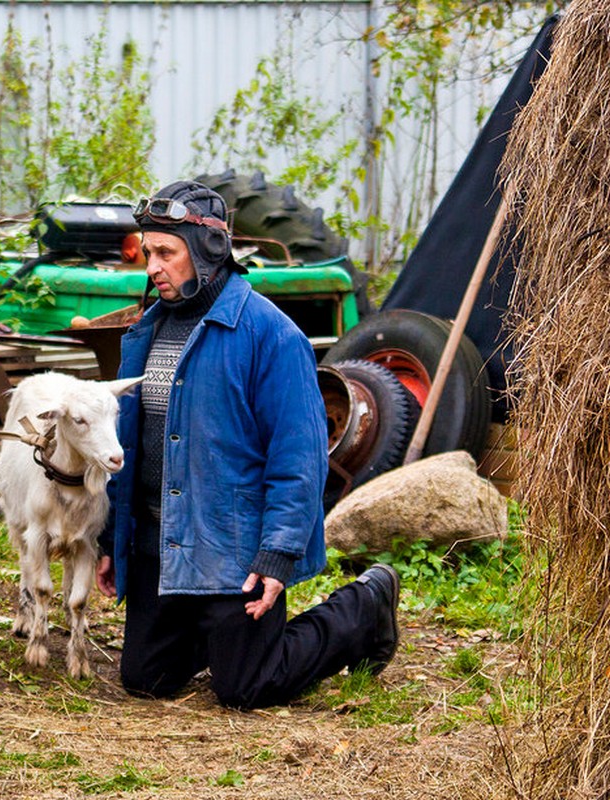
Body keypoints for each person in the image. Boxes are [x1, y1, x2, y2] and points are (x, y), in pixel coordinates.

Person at [94, 181, 400, 710]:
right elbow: (128, 443)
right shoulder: (145, 332)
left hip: (230, 553)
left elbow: (299, 459)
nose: (153, 267)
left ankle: (365, 605)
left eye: (166, 252)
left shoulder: (272, 336)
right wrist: (111, 540)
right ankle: (212, 637)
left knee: (246, 687)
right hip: (157, 550)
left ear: (208, 250)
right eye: (148, 252)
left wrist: (277, 555)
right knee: (146, 678)